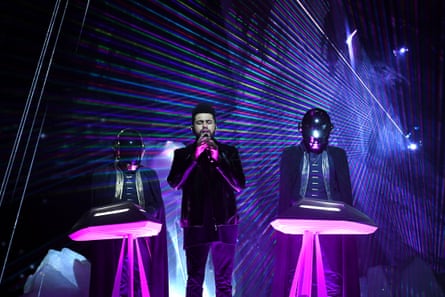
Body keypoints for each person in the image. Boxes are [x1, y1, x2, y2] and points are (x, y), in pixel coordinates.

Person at [271, 108, 360, 297]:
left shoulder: (337, 155)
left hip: (331, 223)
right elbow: (285, 193)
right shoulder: (291, 154)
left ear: (329, 132)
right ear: (302, 130)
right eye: (312, 134)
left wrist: (348, 221)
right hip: (298, 223)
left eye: (321, 134)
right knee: (295, 271)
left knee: (332, 273)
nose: (316, 139)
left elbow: (346, 193)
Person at [167, 102, 246, 297]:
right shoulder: (182, 154)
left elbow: (238, 184)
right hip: (195, 225)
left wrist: (219, 160)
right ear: (192, 127)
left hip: (225, 224)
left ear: (215, 126)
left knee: (224, 281)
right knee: (194, 279)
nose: (204, 127)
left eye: (208, 122)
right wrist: (194, 158)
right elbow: (175, 183)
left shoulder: (229, 152)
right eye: (200, 122)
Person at [88, 128, 169, 297]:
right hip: (113, 238)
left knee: (142, 275)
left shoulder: (148, 174)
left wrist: (146, 213)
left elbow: (157, 206)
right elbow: (98, 206)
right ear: (118, 151)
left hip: (142, 238)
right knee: (113, 277)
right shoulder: (103, 174)